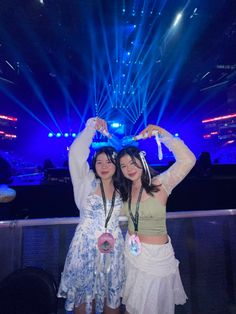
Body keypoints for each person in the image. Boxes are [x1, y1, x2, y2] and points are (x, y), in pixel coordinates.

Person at [116, 124, 196, 314]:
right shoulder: (126, 192)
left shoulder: (160, 183)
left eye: (132, 163)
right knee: (133, 309)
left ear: (142, 161)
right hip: (133, 255)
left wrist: (161, 132)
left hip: (156, 258)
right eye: (124, 166)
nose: (129, 169)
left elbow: (188, 160)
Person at [57, 117, 125, 314]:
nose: (104, 166)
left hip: (113, 251)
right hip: (84, 248)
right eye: (99, 161)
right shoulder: (85, 182)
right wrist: (91, 126)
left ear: (116, 165)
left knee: (112, 303)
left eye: (109, 162)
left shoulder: (123, 188)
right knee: (83, 304)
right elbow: (76, 155)